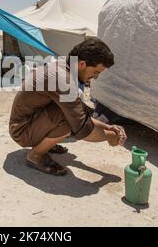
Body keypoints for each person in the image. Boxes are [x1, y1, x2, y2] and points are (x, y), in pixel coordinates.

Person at [9, 37, 127, 176]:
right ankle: (35, 156)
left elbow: (79, 110)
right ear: (82, 64)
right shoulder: (62, 78)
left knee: (72, 112)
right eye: (96, 72)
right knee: (69, 120)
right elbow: (82, 127)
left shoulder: (64, 66)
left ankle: (44, 144)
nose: (95, 77)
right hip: (22, 131)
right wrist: (110, 137)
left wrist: (107, 127)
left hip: (28, 121)